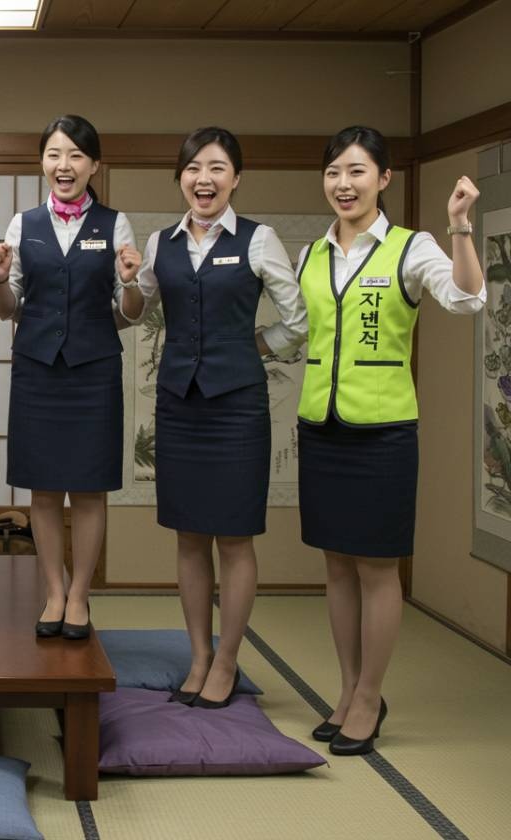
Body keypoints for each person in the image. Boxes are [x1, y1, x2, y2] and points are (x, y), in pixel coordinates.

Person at [296, 125, 484, 755]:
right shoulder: (311, 255)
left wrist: (459, 226)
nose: (343, 184)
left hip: (383, 435)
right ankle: (348, 688)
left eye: (356, 171)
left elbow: (467, 299)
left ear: (383, 178)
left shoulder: (411, 246)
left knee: (377, 569)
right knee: (336, 567)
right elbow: (298, 332)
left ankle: (370, 697)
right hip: (321, 427)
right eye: (333, 172)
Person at [121, 127, 307, 706]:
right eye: (194, 168)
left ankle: (226, 661)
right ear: (180, 177)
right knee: (188, 535)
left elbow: (297, 319)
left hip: (237, 408)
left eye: (217, 168)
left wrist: (258, 344)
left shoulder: (258, 239)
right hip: (179, 404)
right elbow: (135, 311)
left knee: (235, 538)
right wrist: (126, 282)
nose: (204, 179)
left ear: (236, 178)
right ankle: (198, 656)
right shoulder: (161, 243)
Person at [0, 114, 140, 640]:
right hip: (37, 370)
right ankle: (54, 591)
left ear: (94, 164)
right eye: (54, 154)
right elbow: (7, 308)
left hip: (94, 372)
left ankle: (79, 594)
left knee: (90, 490)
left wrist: (131, 283)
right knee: (45, 489)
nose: (64, 165)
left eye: (76, 155)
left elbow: (130, 312)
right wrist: (0, 280)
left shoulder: (115, 224)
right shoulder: (23, 224)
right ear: (43, 163)